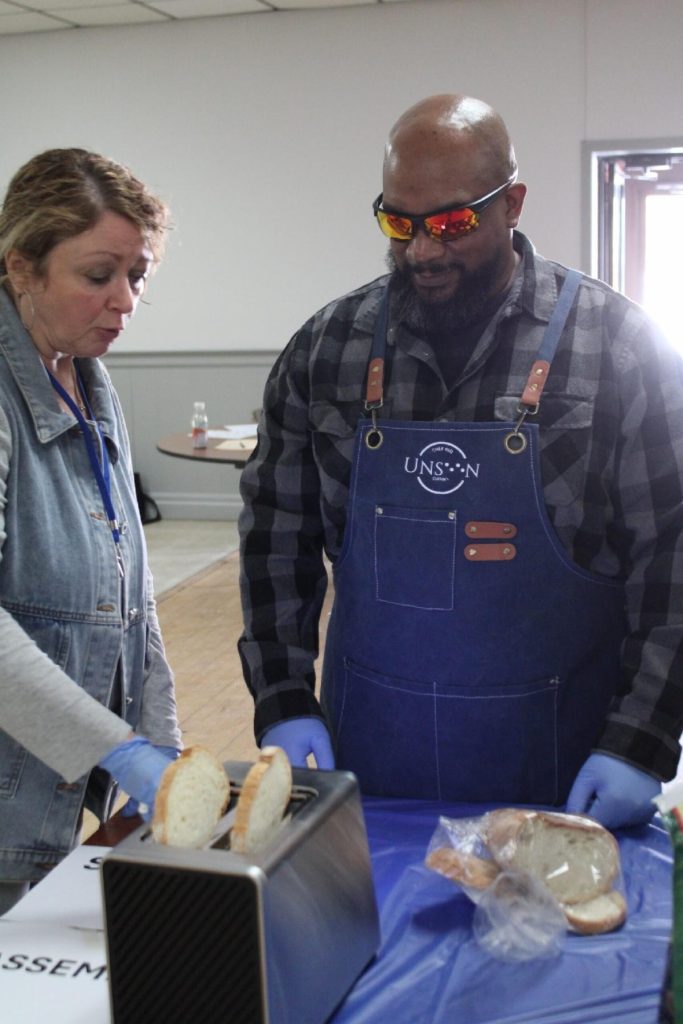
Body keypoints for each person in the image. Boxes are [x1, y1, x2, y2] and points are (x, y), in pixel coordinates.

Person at [238, 94, 683, 830]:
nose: (422, 250)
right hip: (370, 759)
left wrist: (639, 742)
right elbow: (274, 542)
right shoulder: (327, 350)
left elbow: (671, 562)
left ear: (511, 203)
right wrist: (281, 700)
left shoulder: (618, 348)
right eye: (398, 222)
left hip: (564, 768)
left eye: (451, 223)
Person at [0, 148, 181, 913]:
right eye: (98, 276)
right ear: (21, 269)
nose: (125, 301)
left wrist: (162, 744)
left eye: (137, 275)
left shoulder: (88, 380)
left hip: (60, 787)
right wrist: (116, 747)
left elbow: (129, 591)